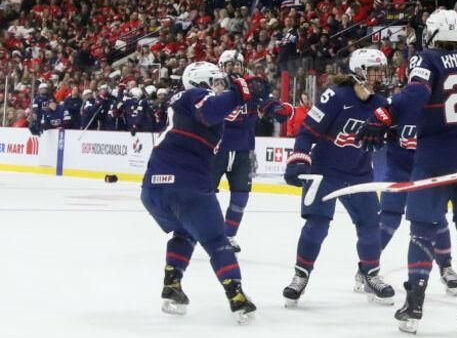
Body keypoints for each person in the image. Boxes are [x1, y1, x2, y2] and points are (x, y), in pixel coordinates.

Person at [360, 8, 457, 334]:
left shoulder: (426, 59)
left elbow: (415, 94)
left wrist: (385, 114)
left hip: (436, 159)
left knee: (422, 229)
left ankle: (413, 305)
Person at [140, 62, 257, 323]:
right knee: (217, 241)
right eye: (214, 81)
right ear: (202, 82)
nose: (218, 86)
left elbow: (218, 112)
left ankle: (171, 286)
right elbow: (213, 108)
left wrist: (240, 92)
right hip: (186, 186)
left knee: (183, 231)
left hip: (153, 189)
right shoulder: (196, 96)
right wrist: (238, 89)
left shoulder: (182, 102)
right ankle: (236, 297)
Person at [281, 48, 396, 307]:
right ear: (359, 72)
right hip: (325, 171)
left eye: (382, 70)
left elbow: (392, 137)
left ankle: (371, 274)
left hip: (359, 173)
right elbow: (308, 131)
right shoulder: (336, 96)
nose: (381, 76)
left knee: (370, 226)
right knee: (316, 225)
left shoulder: (381, 104)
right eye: (375, 70)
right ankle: (300, 276)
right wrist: (299, 158)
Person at [377, 91, 457, 296]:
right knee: (389, 218)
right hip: (398, 170)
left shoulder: (442, 105)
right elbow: (377, 119)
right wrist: (379, 124)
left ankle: (445, 267)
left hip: (427, 171)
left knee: (436, 218)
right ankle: (367, 267)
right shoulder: (399, 101)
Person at [211, 50, 293, 252]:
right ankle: (200, 233)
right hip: (214, 150)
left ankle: (228, 235)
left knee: (241, 197)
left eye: (238, 64)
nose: (235, 68)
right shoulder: (211, 87)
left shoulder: (253, 86)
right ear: (222, 67)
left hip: (243, 149)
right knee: (203, 194)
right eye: (231, 64)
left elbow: (267, 103)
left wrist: (278, 109)